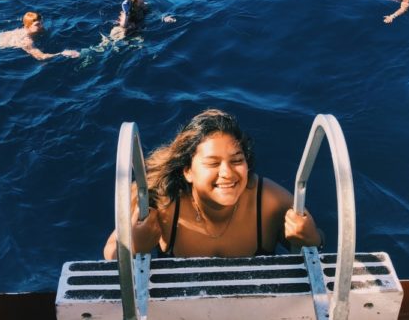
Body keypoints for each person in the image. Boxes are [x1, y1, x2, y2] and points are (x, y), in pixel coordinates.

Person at [103, 109, 323, 259]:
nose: (227, 173)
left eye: (237, 160)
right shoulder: (161, 203)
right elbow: (111, 252)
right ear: (188, 171)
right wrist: (133, 246)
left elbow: (317, 243)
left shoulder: (268, 202)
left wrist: (312, 239)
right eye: (212, 163)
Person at [110, 0, 176, 40]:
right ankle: (106, 42)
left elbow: (155, 13)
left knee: (138, 35)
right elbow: (123, 25)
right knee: (122, 29)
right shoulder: (127, 11)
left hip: (138, 28)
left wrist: (164, 17)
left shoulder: (145, 6)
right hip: (128, 26)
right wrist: (126, 14)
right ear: (135, 2)